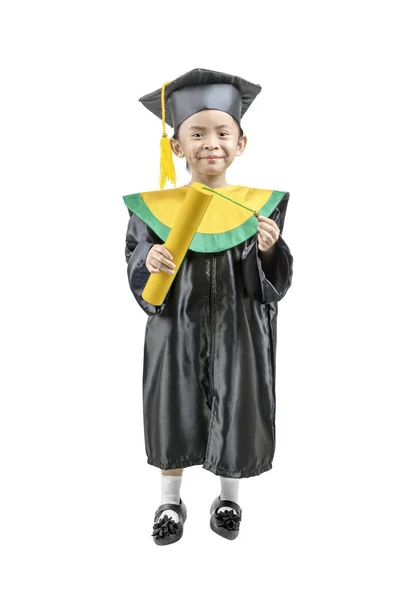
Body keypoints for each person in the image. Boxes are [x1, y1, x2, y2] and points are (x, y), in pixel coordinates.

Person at [123, 68, 294, 544]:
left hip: (241, 325)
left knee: (238, 404)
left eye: (223, 132)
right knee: (171, 405)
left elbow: (275, 282)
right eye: (196, 133)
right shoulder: (151, 208)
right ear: (176, 146)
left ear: (242, 143)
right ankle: (169, 501)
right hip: (175, 325)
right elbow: (137, 266)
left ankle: (229, 499)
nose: (210, 143)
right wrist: (148, 259)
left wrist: (267, 250)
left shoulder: (262, 205)